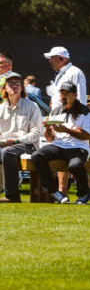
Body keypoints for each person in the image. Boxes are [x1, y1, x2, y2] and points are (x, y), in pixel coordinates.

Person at [30, 83, 90, 204]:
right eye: (61, 93)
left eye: (66, 93)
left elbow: (87, 135)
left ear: (75, 95)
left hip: (78, 146)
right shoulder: (56, 111)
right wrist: (48, 129)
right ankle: (54, 191)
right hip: (59, 145)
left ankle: (83, 194)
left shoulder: (85, 111)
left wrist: (66, 130)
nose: (63, 96)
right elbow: (50, 138)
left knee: (75, 165)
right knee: (37, 155)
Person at [0, 72, 44, 203]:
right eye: (11, 83)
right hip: (4, 145)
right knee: (6, 150)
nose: (14, 86)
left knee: (7, 152)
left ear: (22, 87)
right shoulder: (1, 108)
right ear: (5, 88)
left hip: (27, 145)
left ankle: (12, 195)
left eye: (17, 83)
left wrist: (16, 140)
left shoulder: (32, 106)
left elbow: (36, 134)